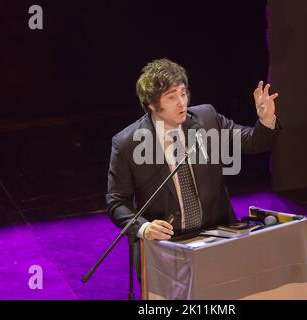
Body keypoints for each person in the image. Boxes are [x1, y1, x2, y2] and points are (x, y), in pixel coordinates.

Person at [106, 58, 281, 278]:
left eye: (183, 93)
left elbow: (252, 141)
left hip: (216, 238)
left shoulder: (206, 119)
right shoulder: (128, 143)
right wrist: (144, 228)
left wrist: (266, 120)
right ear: (151, 103)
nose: (182, 102)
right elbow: (117, 202)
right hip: (166, 247)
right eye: (172, 97)